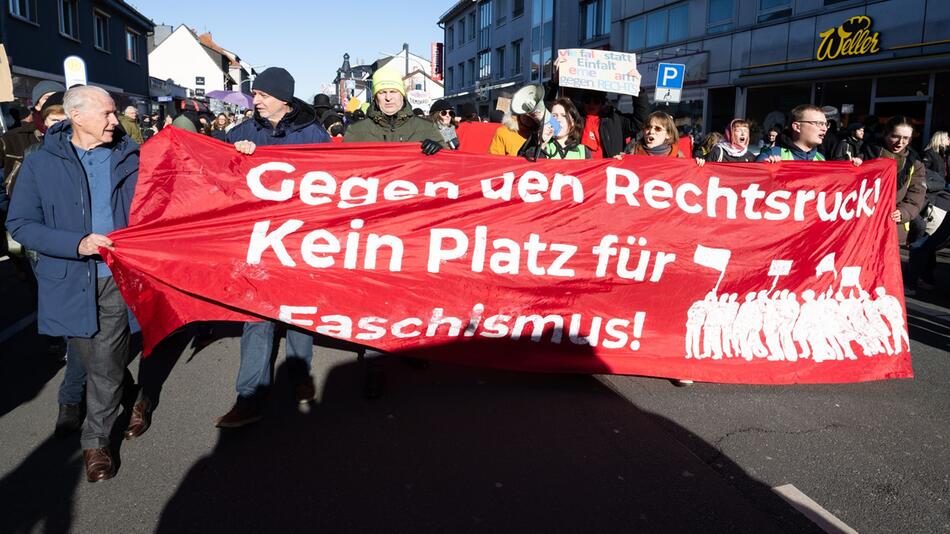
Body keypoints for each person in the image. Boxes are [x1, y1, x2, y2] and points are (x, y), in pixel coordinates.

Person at [6, 85, 140, 482]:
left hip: (117, 277)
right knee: (99, 360)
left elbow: (180, 187)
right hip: (67, 280)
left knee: (105, 363)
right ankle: (136, 396)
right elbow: (20, 224)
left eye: (115, 113)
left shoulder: (131, 155)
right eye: (108, 114)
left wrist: (240, 157)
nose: (116, 122)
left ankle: (95, 442)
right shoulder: (40, 162)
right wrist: (76, 243)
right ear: (76, 116)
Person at [219, 67, 332, 428]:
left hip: (300, 242)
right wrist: (235, 157)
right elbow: (216, 179)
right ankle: (249, 396)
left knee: (298, 314)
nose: (256, 101)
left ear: (283, 98)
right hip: (257, 243)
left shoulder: (313, 135)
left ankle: (300, 375)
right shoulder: (241, 133)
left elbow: (334, 183)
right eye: (255, 95)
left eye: (262, 95)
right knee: (257, 318)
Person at [862, 115, 927, 246]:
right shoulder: (865, 153)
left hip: (893, 228)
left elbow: (916, 194)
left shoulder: (915, 163)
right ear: (885, 134)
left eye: (906, 138)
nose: (900, 142)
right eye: (895, 136)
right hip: (863, 224)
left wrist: (904, 212)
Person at [343, 68, 445, 150]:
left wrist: (440, 151)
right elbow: (343, 166)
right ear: (375, 98)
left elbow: (449, 166)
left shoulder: (427, 128)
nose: (388, 98)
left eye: (393, 91)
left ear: (402, 95)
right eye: (382, 92)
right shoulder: (356, 131)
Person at [577, 89, 649, 159]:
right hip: (582, 168)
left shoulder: (614, 120)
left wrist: (638, 91)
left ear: (602, 104)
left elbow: (639, 121)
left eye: (596, 101)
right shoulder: (574, 121)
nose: (591, 104)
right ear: (582, 103)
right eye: (587, 101)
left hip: (608, 168)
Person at [757, 105, 834, 162]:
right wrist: (769, 171)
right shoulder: (771, 155)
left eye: (825, 124)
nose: (824, 129)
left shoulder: (820, 158)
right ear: (797, 127)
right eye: (819, 123)